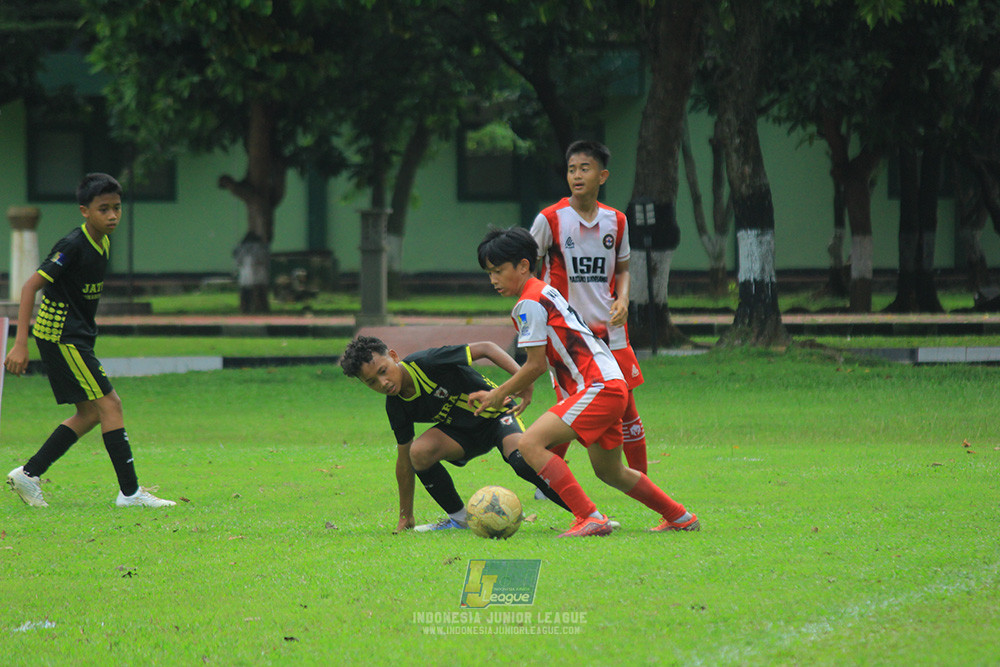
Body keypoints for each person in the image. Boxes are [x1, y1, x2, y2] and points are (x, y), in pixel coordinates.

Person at [471, 227, 698, 537]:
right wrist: (525, 384)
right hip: (608, 384)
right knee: (610, 471)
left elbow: (535, 364)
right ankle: (680, 516)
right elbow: (545, 358)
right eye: (489, 273)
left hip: (598, 387)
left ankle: (590, 517)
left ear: (523, 265)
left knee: (528, 444)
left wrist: (498, 394)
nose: (493, 280)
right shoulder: (544, 290)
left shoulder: (528, 303)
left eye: (498, 270)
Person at [4, 173, 174, 509]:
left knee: (91, 412)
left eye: (117, 208)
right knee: (111, 405)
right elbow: (29, 287)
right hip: (60, 336)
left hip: (75, 335)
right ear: (85, 211)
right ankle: (130, 494)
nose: (112, 216)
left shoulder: (104, 241)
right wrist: (20, 343)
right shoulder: (71, 246)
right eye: (103, 209)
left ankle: (29, 473)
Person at [339, 336, 570, 533]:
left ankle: (588, 514)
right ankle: (460, 520)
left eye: (383, 371)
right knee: (417, 453)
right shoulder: (396, 406)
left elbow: (487, 347)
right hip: (462, 435)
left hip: (496, 416)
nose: (383, 383)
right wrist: (405, 516)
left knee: (522, 461)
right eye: (372, 382)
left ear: (394, 356)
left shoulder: (427, 362)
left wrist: (521, 378)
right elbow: (403, 462)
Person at [530, 140, 648, 475]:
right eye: (571, 169)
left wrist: (623, 299)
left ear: (603, 175)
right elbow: (527, 266)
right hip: (569, 334)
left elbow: (623, 269)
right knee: (569, 408)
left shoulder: (618, 222)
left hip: (612, 334)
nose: (577, 175)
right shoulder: (549, 219)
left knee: (629, 412)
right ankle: (548, 479)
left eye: (585, 168)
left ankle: (644, 483)